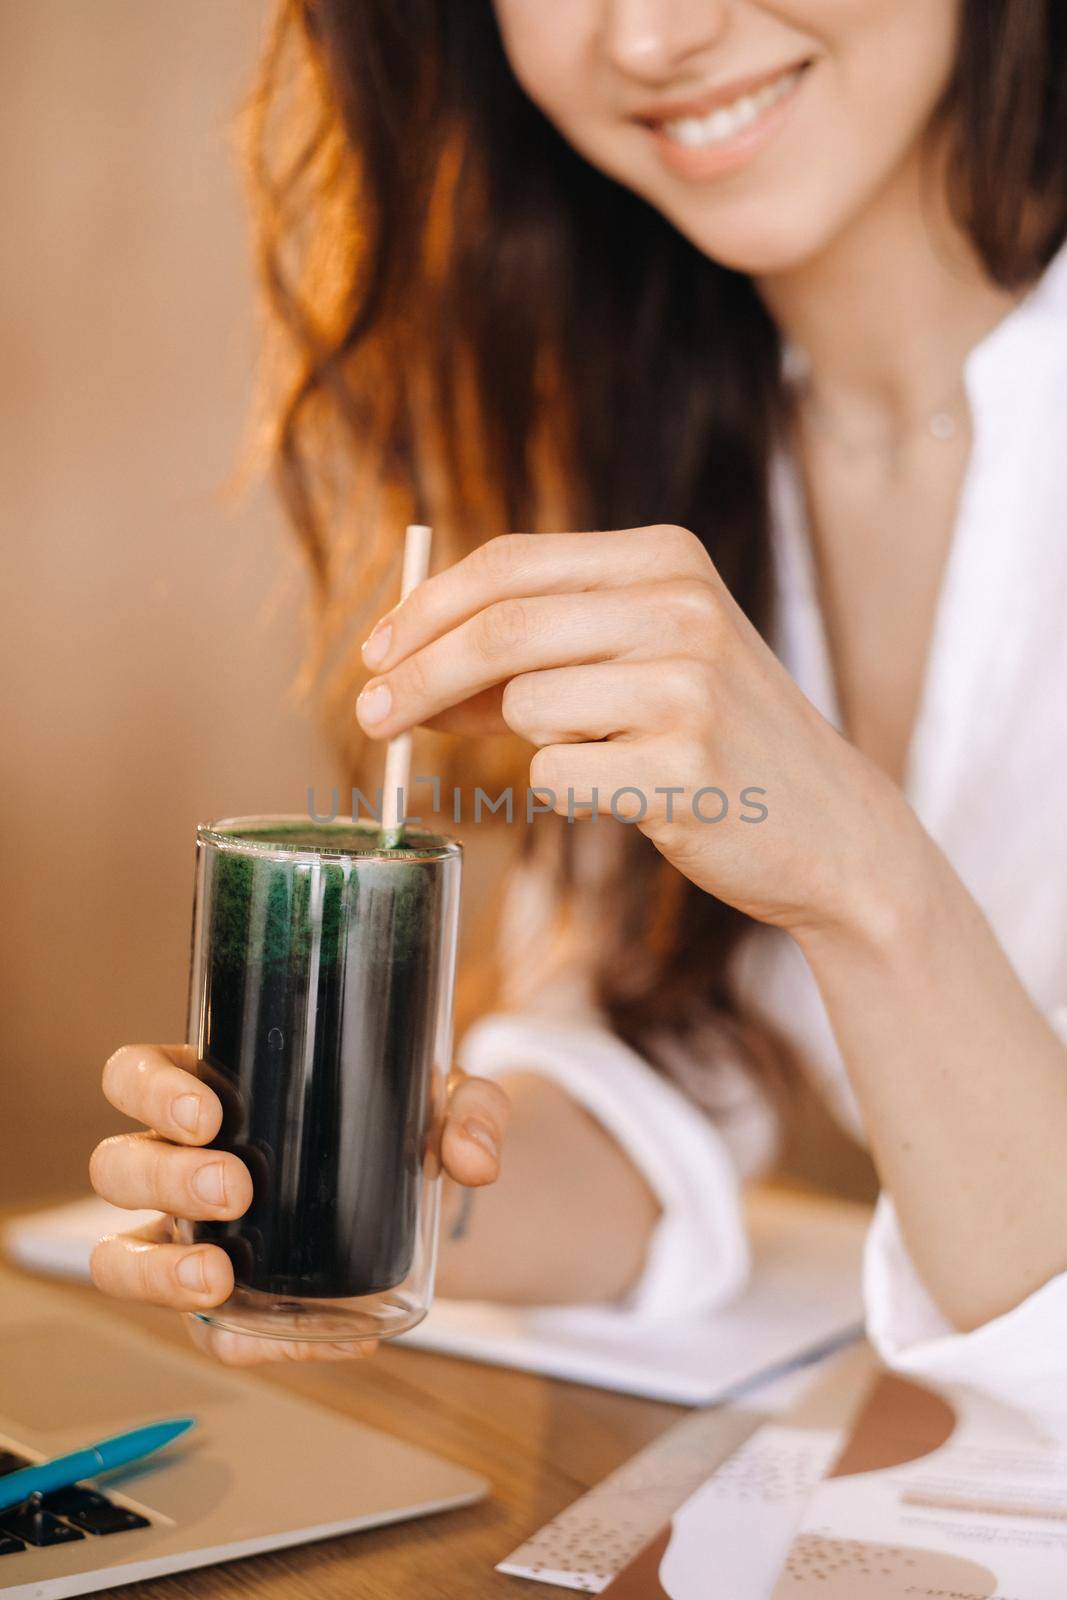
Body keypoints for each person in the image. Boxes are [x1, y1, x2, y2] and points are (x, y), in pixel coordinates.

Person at [89, 0, 1067, 1425]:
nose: (658, 34)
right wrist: (357, 1201)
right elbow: (647, 1089)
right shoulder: (647, 418)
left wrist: (867, 885)